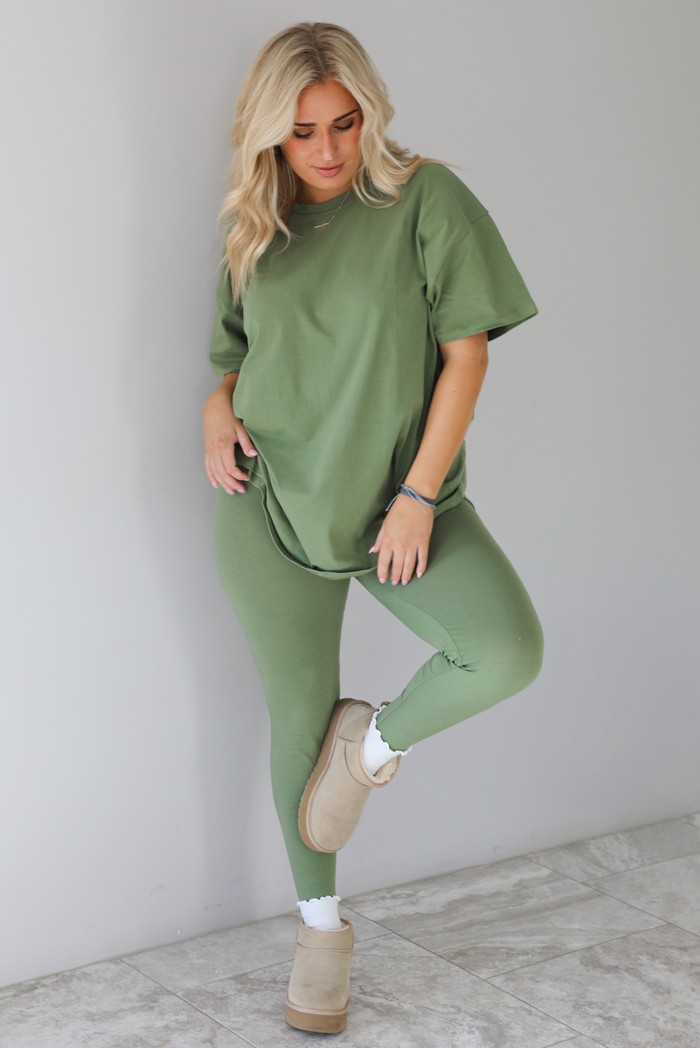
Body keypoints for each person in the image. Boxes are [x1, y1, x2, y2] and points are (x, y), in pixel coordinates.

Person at [204, 21, 543, 1034]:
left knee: (504, 648)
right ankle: (319, 937)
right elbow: (229, 351)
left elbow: (467, 355)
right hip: (265, 503)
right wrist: (217, 409)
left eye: (343, 124)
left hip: (401, 503)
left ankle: (373, 745)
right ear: (270, 133)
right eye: (301, 130)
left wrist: (418, 495)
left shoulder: (423, 198)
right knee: (293, 716)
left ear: (369, 115)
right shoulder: (253, 222)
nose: (325, 150)